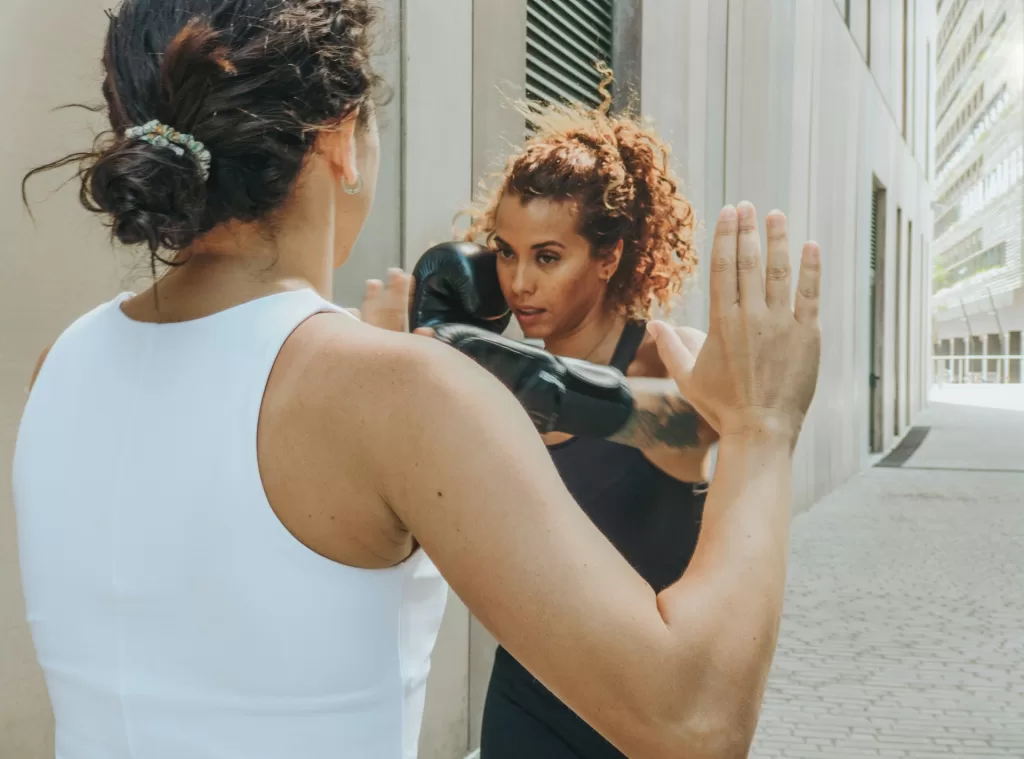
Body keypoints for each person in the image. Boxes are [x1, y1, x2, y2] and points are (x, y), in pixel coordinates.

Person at [13, 2, 822, 759]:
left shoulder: (62, 364)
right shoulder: (395, 392)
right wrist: (762, 426)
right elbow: (694, 717)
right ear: (339, 140)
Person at [407, 82, 714, 757]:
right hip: (525, 700)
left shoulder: (670, 356)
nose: (520, 283)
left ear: (608, 256)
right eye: (506, 252)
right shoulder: (488, 373)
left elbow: (696, 434)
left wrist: (540, 386)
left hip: (640, 712)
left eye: (548, 256)